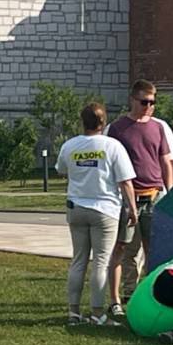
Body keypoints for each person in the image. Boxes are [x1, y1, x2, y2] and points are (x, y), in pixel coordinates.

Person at [56, 102, 139, 326]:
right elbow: (125, 182)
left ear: (82, 122)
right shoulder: (112, 146)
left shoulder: (70, 145)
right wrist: (132, 208)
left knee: (78, 260)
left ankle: (73, 312)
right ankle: (97, 313)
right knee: (101, 263)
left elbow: (61, 169)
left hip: (77, 208)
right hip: (105, 209)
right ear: (103, 122)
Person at [106, 80, 173, 318]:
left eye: (153, 102)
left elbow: (165, 160)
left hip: (154, 196)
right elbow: (111, 163)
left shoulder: (158, 128)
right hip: (128, 199)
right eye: (144, 102)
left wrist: (170, 191)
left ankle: (153, 292)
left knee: (154, 248)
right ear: (133, 100)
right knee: (125, 249)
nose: (149, 106)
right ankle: (124, 296)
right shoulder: (118, 128)